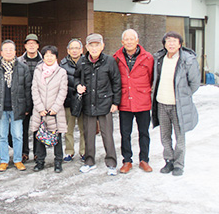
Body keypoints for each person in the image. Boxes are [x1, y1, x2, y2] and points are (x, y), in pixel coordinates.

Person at [152, 31, 200, 176]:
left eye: (174, 41)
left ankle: (179, 164)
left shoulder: (188, 60)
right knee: (165, 136)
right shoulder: (159, 58)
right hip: (162, 103)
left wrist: (183, 96)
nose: (171, 44)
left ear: (180, 44)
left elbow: (195, 83)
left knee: (180, 136)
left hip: (178, 105)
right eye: (168, 41)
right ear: (164, 44)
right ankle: (169, 161)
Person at [75, 33, 121, 176]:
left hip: (105, 102)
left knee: (107, 134)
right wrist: (78, 86)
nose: (94, 48)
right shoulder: (82, 61)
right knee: (88, 134)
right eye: (91, 45)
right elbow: (76, 77)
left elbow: (116, 82)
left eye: (97, 45)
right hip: (88, 103)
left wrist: (115, 102)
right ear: (87, 47)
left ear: (102, 46)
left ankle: (111, 163)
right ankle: (89, 161)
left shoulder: (109, 61)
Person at [113, 29, 154, 174]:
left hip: (142, 100)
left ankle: (144, 160)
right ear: (122, 42)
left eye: (132, 39)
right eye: (126, 39)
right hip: (125, 101)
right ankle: (127, 160)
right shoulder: (116, 57)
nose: (129, 42)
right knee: (125, 133)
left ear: (137, 41)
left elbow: (151, 78)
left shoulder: (148, 58)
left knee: (144, 132)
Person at [0, 40, 32, 172]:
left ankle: (18, 159)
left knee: (17, 135)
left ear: (15, 52)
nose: (8, 52)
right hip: (1, 107)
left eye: (11, 49)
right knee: (2, 135)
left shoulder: (22, 67)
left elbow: (27, 89)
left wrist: (27, 107)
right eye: (5, 49)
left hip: (17, 107)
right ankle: (4, 160)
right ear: (1, 52)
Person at [30, 45, 68, 173]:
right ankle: (40, 161)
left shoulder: (61, 72)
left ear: (56, 57)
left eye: (52, 55)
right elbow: (34, 90)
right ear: (43, 57)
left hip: (55, 111)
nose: (49, 58)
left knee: (56, 137)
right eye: (47, 55)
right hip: (40, 110)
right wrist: (40, 108)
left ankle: (58, 162)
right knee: (40, 136)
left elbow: (63, 91)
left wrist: (55, 108)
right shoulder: (38, 71)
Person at [60, 39, 86, 162]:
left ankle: (84, 151)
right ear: (68, 50)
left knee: (83, 128)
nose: (74, 50)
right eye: (72, 48)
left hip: (83, 101)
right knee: (68, 129)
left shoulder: (87, 62)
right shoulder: (62, 64)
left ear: (81, 50)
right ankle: (69, 151)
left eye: (77, 48)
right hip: (68, 101)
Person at [18, 34, 42, 163]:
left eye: (34, 43)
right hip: (24, 98)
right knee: (23, 127)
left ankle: (38, 153)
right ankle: (24, 152)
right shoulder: (19, 61)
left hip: (40, 98)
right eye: (29, 43)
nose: (31, 45)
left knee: (38, 127)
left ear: (38, 46)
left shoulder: (44, 60)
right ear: (25, 46)